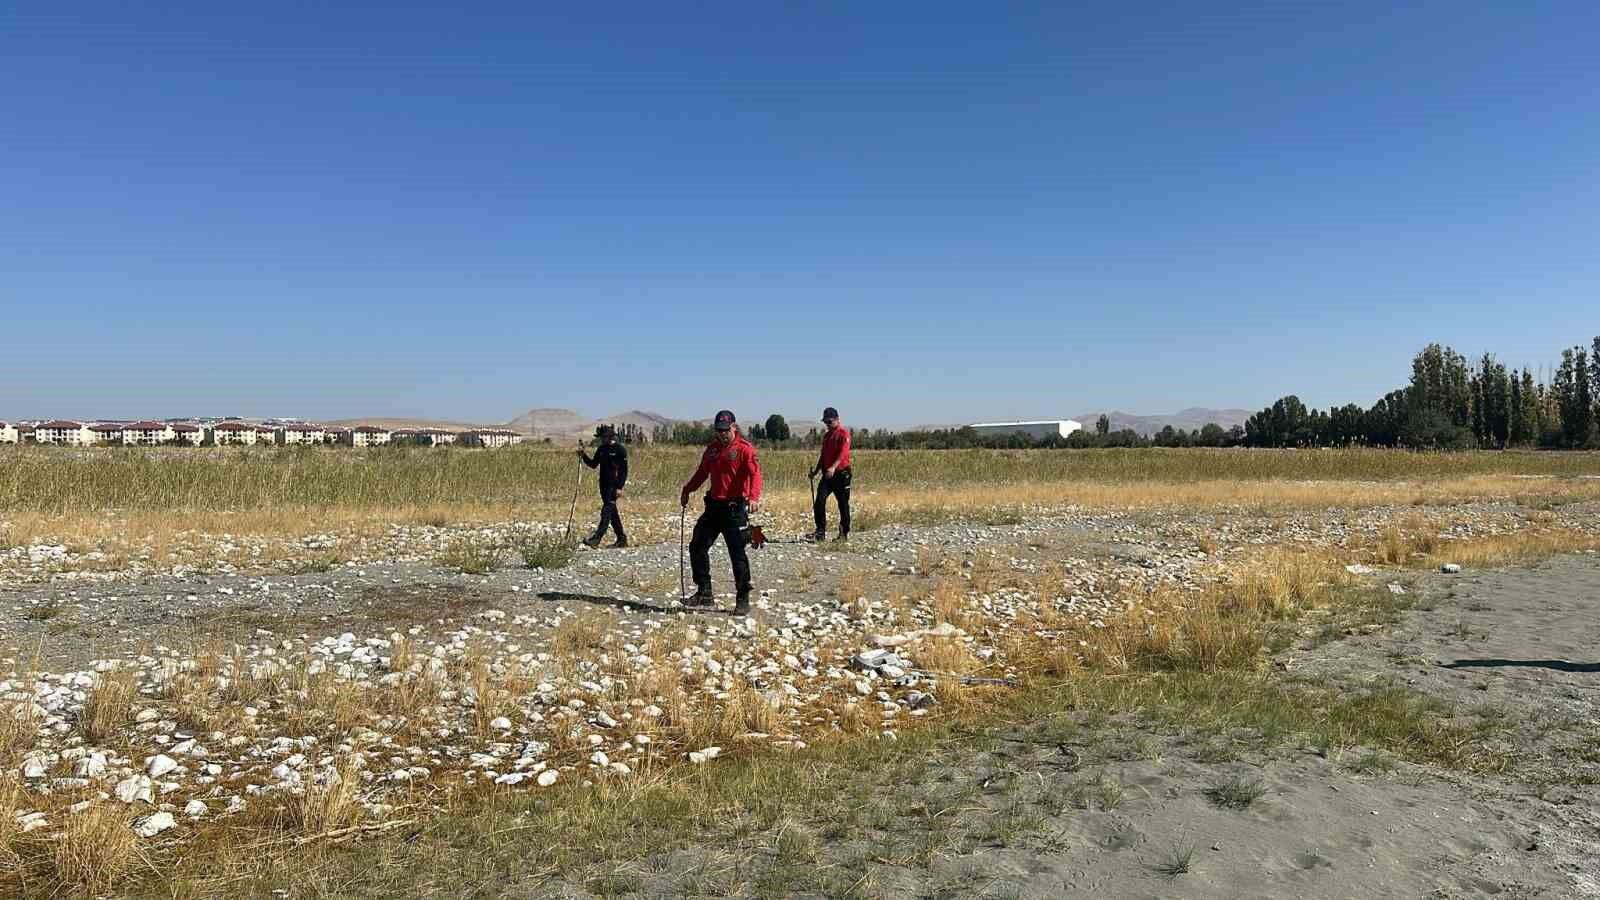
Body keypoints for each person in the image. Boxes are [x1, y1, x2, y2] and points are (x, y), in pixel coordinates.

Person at [679, 410, 763, 615]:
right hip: (714, 507)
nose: (722, 434)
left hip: (735, 509)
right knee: (697, 546)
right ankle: (704, 593)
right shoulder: (712, 450)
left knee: (737, 554)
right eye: (719, 430)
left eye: (725, 430)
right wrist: (688, 489)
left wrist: (753, 497)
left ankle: (742, 598)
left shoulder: (745, 450)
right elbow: (702, 473)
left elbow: (756, 475)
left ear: (734, 427)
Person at [578, 425, 628, 548]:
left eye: (603, 437)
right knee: (612, 512)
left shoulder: (620, 450)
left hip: (614, 486)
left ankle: (596, 539)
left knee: (606, 511)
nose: (601, 439)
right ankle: (622, 539)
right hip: (603, 485)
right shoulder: (601, 449)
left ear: (609, 437)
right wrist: (583, 456)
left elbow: (624, 471)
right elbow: (593, 464)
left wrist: (620, 487)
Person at [808, 406, 852, 542]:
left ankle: (843, 534)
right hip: (827, 475)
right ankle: (820, 532)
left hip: (841, 474)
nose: (827, 424)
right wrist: (815, 471)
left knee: (843, 504)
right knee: (819, 502)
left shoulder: (844, 434)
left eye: (830, 421)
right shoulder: (827, 436)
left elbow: (842, 453)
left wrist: (833, 467)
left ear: (837, 419)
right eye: (825, 422)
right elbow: (823, 455)